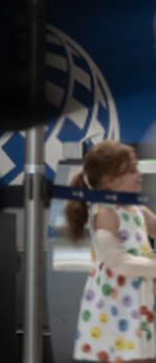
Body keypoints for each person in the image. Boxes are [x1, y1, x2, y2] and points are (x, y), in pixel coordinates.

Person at [65, 141, 156, 362]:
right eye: (132, 170)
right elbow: (119, 262)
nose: (139, 174)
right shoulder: (105, 213)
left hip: (140, 305)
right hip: (115, 308)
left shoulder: (138, 210)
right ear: (110, 180)